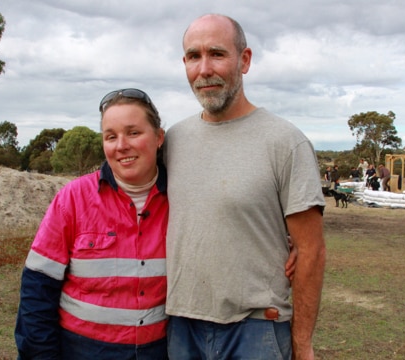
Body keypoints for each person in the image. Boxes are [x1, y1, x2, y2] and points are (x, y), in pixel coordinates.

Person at [164, 13, 326, 360]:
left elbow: (311, 250)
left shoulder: (286, 143)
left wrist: (302, 344)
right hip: (181, 326)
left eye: (217, 54)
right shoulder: (173, 141)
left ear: (245, 60)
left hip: (257, 329)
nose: (204, 69)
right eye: (194, 56)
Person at [14, 89, 169, 359]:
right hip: (82, 350)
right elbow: (37, 291)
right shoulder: (71, 199)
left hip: (160, 351)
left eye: (133, 133)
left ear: (158, 138)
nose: (121, 145)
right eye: (111, 136)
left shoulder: (182, 201)